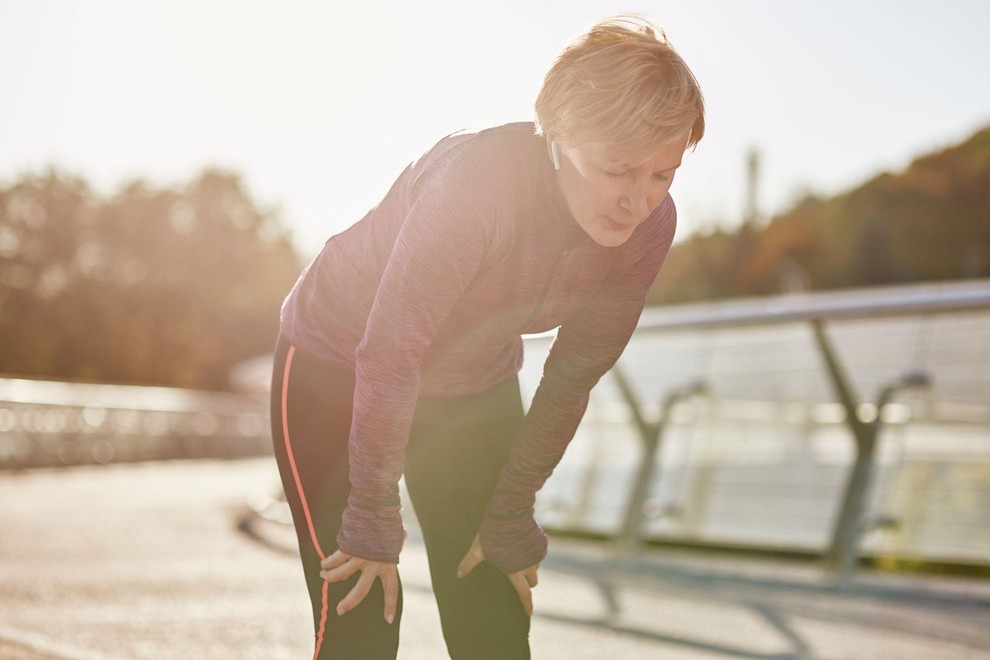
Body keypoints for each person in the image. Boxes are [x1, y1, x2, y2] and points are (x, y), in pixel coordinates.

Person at [270, 15, 705, 659]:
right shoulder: (475, 187)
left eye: (662, 175)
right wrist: (372, 514)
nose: (637, 202)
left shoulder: (648, 228)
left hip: (472, 382)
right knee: (363, 617)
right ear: (558, 136)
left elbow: (573, 373)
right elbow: (390, 352)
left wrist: (510, 511)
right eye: (618, 170)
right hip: (337, 367)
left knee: (493, 614)